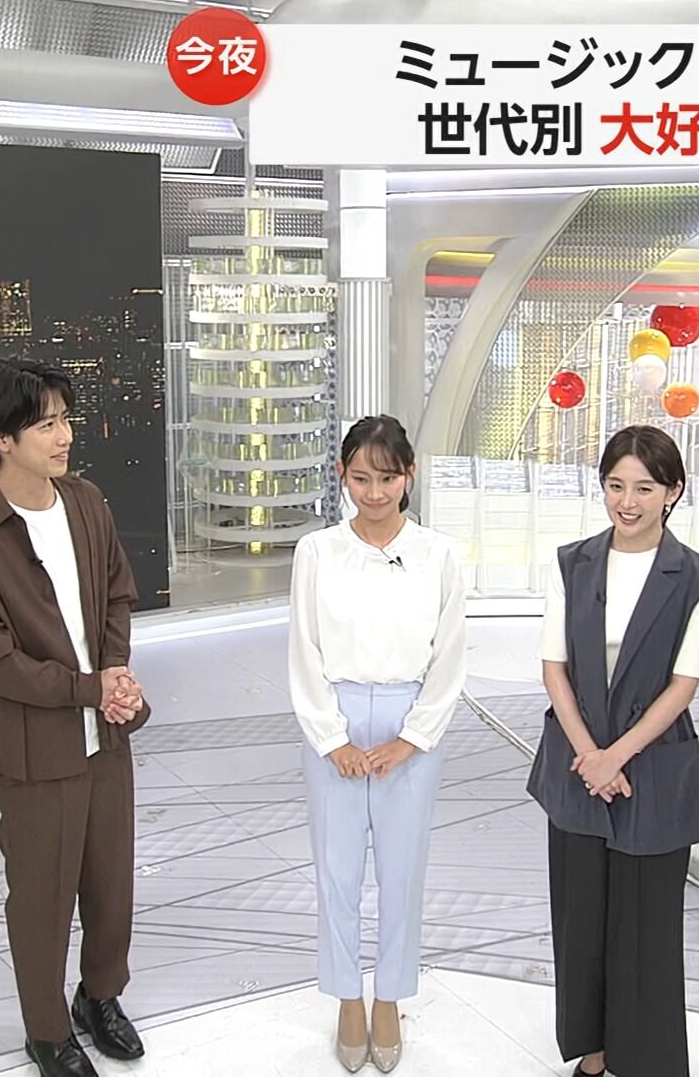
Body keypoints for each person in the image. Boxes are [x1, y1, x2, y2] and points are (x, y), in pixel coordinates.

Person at [0, 361, 151, 1077]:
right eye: (47, 424)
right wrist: (89, 688)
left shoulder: (85, 503)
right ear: (0, 438)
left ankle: (100, 996)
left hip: (104, 733)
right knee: (42, 899)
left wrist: (114, 676)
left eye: (65, 419)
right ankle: (47, 1032)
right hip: (32, 750)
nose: (65, 436)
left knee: (111, 885)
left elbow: (117, 594)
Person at [527, 424, 699, 1077]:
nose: (627, 502)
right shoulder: (572, 563)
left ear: (673, 491)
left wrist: (616, 757)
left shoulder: (697, 577)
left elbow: (683, 685)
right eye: (615, 486)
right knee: (581, 921)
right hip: (578, 764)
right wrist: (591, 754)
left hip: (654, 768)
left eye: (643, 488)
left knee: (647, 931)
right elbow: (555, 668)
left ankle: (646, 1062)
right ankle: (594, 1052)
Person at [288, 415, 468, 1073]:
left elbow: (450, 655)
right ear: (342, 474)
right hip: (333, 713)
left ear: (408, 476)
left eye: (387, 479)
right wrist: (330, 737)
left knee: (402, 868)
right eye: (360, 478)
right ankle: (346, 996)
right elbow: (303, 648)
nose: (373, 492)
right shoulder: (317, 552)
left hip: (409, 718)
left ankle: (389, 996)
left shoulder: (438, 554)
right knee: (336, 871)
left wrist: (412, 738)